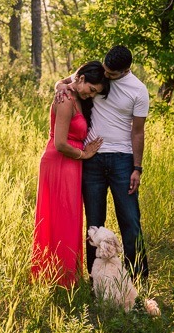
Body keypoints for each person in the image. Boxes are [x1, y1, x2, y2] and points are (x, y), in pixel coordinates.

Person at [55, 45, 150, 281]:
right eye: (105, 70)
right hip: (92, 160)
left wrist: (137, 168)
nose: (106, 76)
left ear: (125, 70)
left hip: (122, 160)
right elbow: (67, 82)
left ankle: (137, 278)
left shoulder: (138, 91)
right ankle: (95, 278)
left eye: (111, 74)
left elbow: (138, 132)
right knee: (94, 223)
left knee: (129, 219)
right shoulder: (97, 73)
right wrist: (60, 86)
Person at [32, 61, 109, 287]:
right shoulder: (65, 100)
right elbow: (60, 143)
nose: (92, 95)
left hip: (71, 164)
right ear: (82, 79)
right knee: (60, 217)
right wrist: (84, 155)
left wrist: (60, 83)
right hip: (60, 161)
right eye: (92, 90)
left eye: (96, 93)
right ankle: (57, 276)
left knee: (70, 218)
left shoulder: (71, 91)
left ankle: (67, 274)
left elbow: (69, 80)